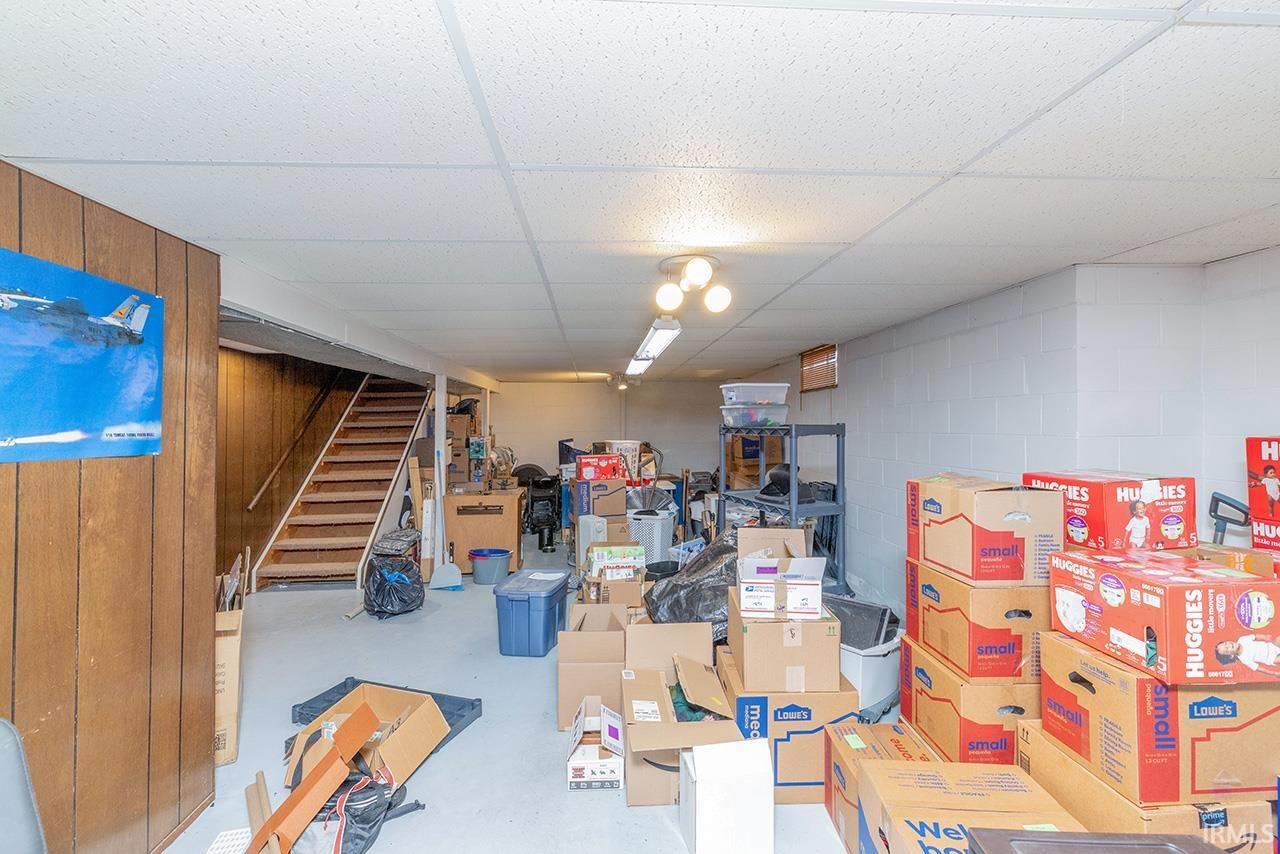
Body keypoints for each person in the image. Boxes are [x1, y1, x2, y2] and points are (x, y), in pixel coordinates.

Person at [1215, 635, 1280, 676]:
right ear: (1231, 656)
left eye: (1226, 643)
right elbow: (1259, 668)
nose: (1228, 645)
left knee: (1278, 639)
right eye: (1226, 649)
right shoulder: (1244, 659)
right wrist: (1274, 673)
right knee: (1277, 660)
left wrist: (1266, 637)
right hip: (1271, 658)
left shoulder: (1242, 639)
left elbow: (1256, 637)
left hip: (1271, 646)